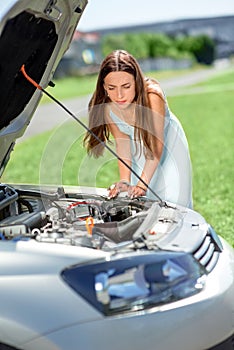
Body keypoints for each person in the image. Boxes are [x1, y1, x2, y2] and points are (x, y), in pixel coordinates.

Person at [83, 50, 193, 208]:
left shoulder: (152, 95)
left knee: (173, 202)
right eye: (112, 88)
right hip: (140, 151)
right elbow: (123, 144)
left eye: (126, 86)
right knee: (143, 204)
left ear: (137, 81)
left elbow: (156, 145)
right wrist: (125, 181)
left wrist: (142, 184)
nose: (119, 95)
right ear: (104, 87)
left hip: (168, 147)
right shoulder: (108, 106)